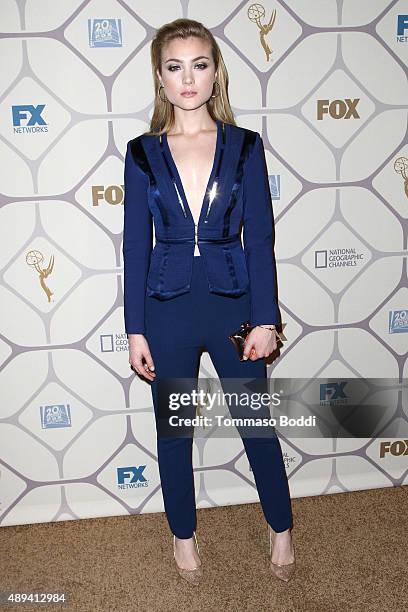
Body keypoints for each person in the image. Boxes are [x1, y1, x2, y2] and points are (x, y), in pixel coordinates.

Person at [122, 18, 295, 585]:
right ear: (160, 77)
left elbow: (261, 237)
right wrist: (135, 329)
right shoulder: (143, 154)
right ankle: (182, 535)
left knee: (256, 426)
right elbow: (136, 246)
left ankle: (281, 526)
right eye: (175, 67)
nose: (187, 78)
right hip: (166, 313)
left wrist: (266, 318)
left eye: (199, 64)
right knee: (174, 432)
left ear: (215, 71)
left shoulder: (245, 147)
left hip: (232, 307)